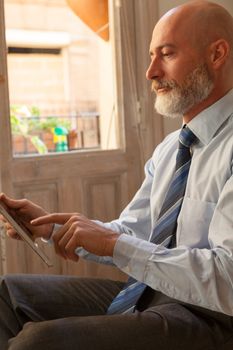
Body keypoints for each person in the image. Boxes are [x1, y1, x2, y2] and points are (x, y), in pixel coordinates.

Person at [1, 0, 233, 349]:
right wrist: (54, 229)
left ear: (217, 54)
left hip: (213, 316)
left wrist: (115, 244)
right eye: (151, 55)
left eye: (166, 54)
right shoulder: (171, 148)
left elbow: (227, 280)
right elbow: (133, 233)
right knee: (7, 291)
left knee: (39, 341)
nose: (151, 72)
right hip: (154, 292)